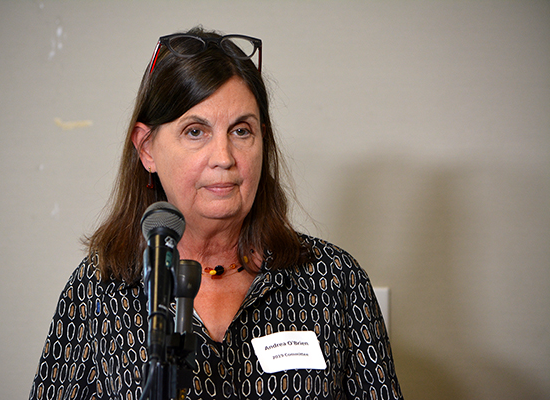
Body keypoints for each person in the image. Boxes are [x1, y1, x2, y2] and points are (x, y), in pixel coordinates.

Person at [29, 26, 403, 400]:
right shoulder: (96, 292)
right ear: (147, 149)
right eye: (195, 132)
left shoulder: (335, 282)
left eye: (241, 131)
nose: (224, 158)